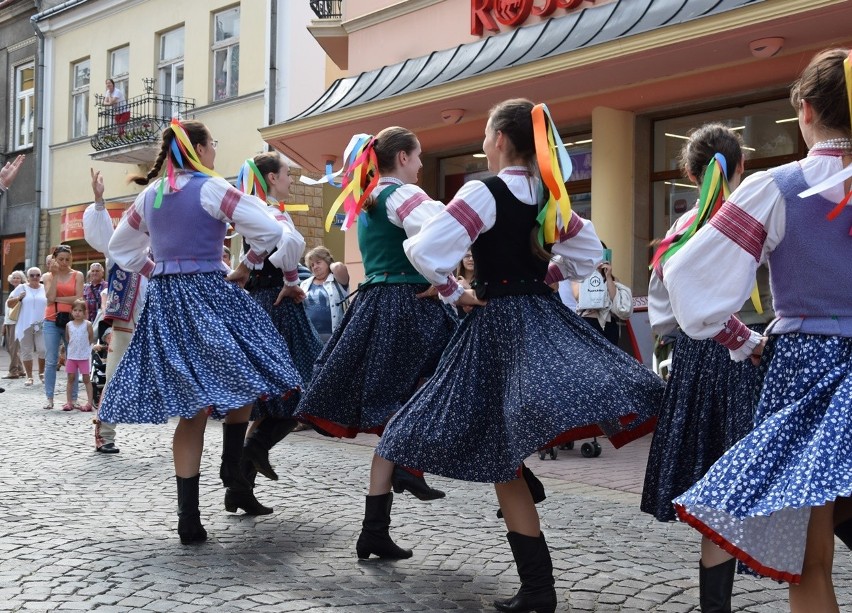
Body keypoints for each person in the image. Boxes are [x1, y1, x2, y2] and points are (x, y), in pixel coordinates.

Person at [376, 99, 665, 613]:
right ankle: (537, 588)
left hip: (496, 323)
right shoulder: (551, 197)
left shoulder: (483, 191)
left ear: (502, 140)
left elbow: (425, 251)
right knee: (503, 450)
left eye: (487, 135)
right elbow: (589, 255)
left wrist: (451, 290)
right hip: (540, 315)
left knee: (490, 448)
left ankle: (538, 589)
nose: (484, 144)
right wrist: (543, 276)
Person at [663, 48, 852, 612]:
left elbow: (690, 278)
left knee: (810, 561)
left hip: (805, 370)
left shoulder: (778, 186)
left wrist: (743, 341)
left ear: (807, 110)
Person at [97, 119, 303, 544]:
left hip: (167, 300)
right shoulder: (212, 188)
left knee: (192, 409)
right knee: (245, 373)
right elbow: (270, 230)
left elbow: (120, 250)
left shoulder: (150, 195)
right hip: (209, 292)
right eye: (212, 144)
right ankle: (231, 464)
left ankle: (188, 517)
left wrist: (156, 269)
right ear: (200, 149)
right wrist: (248, 263)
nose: (215, 151)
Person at [295, 127, 457, 561]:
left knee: (396, 403)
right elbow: (443, 231)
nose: (422, 165)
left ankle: (374, 530)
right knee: (454, 380)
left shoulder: (366, 202)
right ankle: (414, 465)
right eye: (419, 156)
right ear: (402, 157)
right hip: (409, 302)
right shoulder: (401, 196)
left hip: (378, 302)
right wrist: (446, 281)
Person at [640, 123, 775, 613]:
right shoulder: (744, 217)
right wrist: (749, 341)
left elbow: (664, 309)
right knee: (753, 478)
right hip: (743, 357)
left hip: (697, 362)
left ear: (691, 173)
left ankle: (715, 607)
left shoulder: (681, 227)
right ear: (741, 167)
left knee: (719, 485)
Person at [228, 151, 323, 489]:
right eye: (286, 174)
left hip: (263, 302)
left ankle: (241, 486)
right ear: (271, 178)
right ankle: (252, 451)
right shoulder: (269, 212)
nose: (290, 180)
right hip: (276, 306)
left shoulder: (255, 211)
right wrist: (292, 281)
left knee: (275, 399)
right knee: (300, 392)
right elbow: (290, 242)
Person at [84, 168, 149, 454]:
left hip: (155, 319)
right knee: (114, 376)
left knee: (174, 371)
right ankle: (105, 432)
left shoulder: (161, 248)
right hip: (125, 320)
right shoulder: (120, 248)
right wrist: (99, 201)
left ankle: (187, 433)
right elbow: (101, 235)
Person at [41, 245, 84, 410]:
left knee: (73, 360)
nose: (65, 262)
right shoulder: (48, 276)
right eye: (61, 259)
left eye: (68, 259)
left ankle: (73, 399)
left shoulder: (78, 275)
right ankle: (49, 398)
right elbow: (50, 298)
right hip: (51, 320)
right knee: (51, 361)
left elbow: (78, 298)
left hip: (72, 322)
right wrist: (56, 275)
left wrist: (58, 299)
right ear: (54, 260)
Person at [573, 243, 632, 345]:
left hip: (608, 324)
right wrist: (591, 272)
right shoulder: (580, 276)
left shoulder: (613, 279)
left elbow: (616, 300)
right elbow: (578, 296)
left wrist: (608, 276)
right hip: (588, 322)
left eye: (601, 255)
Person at [299, 245, 349, 342]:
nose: (315, 267)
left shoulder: (337, 280)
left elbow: (338, 266)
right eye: (312, 265)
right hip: (310, 337)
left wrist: (330, 263)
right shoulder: (305, 283)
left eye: (318, 262)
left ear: (327, 262)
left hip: (335, 336)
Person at [6, 268, 46, 386]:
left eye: (37, 275)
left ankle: (41, 373)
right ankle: (29, 377)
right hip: (25, 324)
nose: (35, 277)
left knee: (42, 349)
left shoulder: (45, 288)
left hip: (41, 324)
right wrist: (19, 298)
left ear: (40, 276)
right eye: (32, 275)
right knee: (26, 350)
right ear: (28, 277)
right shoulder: (21, 288)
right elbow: (9, 303)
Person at [62, 299, 95, 412]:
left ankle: (89, 402)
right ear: (71, 312)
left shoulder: (87, 324)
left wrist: (86, 348)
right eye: (75, 310)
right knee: (70, 378)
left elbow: (91, 338)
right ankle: (69, 402)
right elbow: (68, 338)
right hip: (72, 356)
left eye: (80, 310)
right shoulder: (68, 325)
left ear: (85, 312)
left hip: (84, 357)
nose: (77, 313)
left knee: (86, 379)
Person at [3, 270, 26, 380]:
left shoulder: (22, 290)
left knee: (13, 348)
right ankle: (21, 370)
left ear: (22, 279)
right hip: (9, 322)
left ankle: (13, 371)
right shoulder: (14, 291)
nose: (16, 279)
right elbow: (8, 310)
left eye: (18, 277)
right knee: (9, 347)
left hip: (15, 322)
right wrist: (4, 324)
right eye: (14, 277)